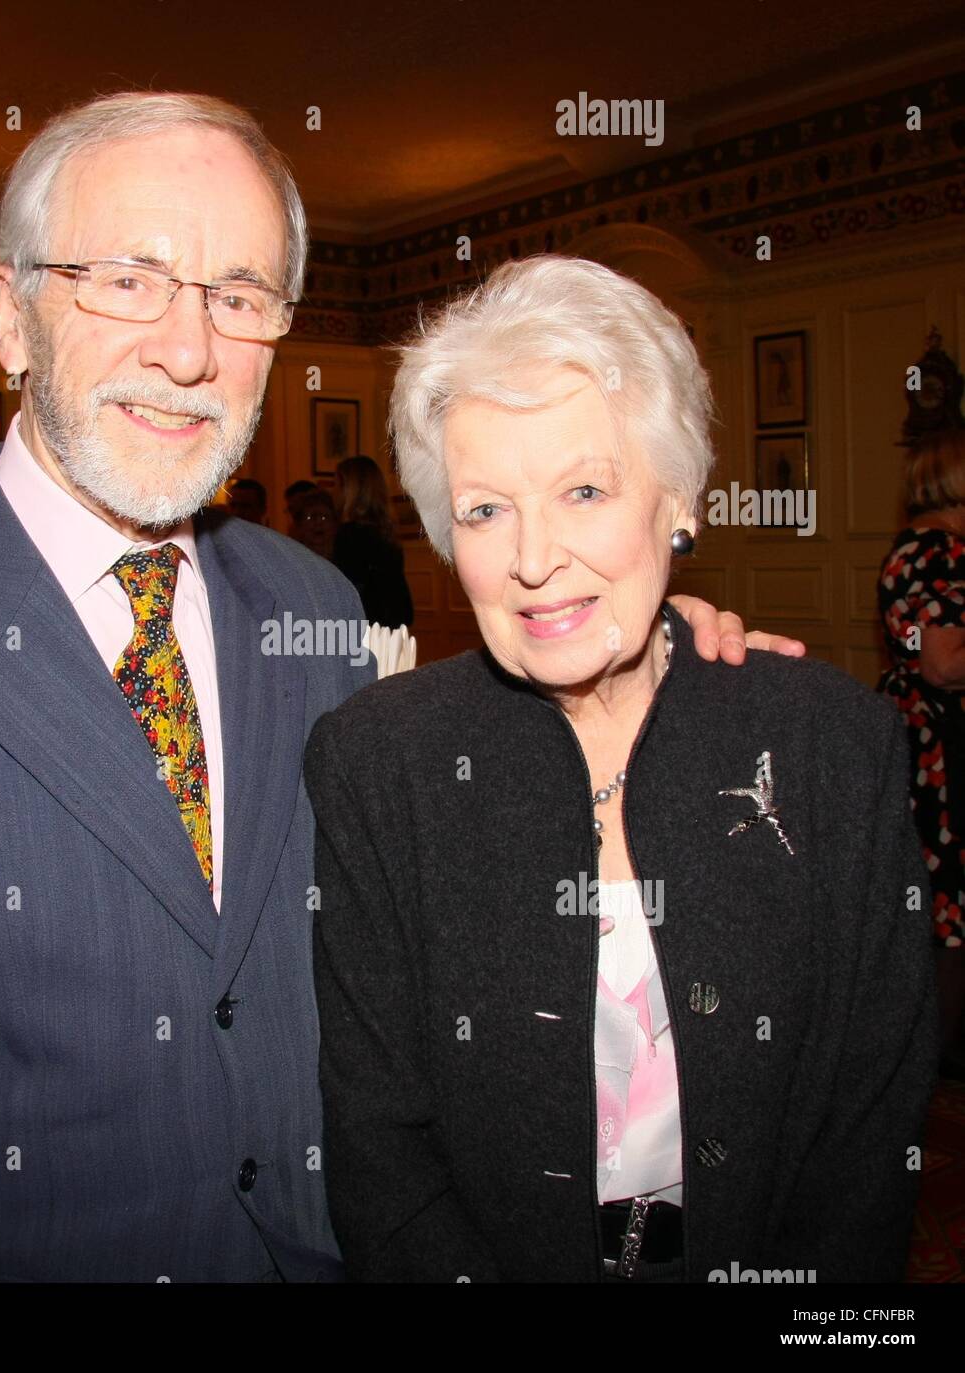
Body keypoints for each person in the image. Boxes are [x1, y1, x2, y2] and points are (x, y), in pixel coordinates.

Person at [0, 94, 798, 1285]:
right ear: (10, 315)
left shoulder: (309, 608)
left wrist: (640, 651)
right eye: (129, 278)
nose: (188, 348)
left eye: (240, 295)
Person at [304, 255, 936, 1283]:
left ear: (676, 501)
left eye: (584, 488)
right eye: (484, 509)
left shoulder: (830, 745)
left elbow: (868, 1136)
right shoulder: (379, 760)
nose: (534, 557)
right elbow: (378, 1143)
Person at [879, 428, 965, 1061]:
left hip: (924, 731)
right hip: (942, 742)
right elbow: (940, 662)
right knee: (946, 905)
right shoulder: (940, 552)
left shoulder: (918, 547)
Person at [332, 454, 413, 628]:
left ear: (350, 489)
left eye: (336, 484)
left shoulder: (350, 535)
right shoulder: (385, 532)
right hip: (392, 622)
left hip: (365, 626)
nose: (333, 491)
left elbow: (350, 591)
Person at [291, 486, 338, 560]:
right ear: (299, 524)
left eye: (324, 517)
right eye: (311, 517)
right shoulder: (292, 558)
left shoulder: (346, 559)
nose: (318, 523)